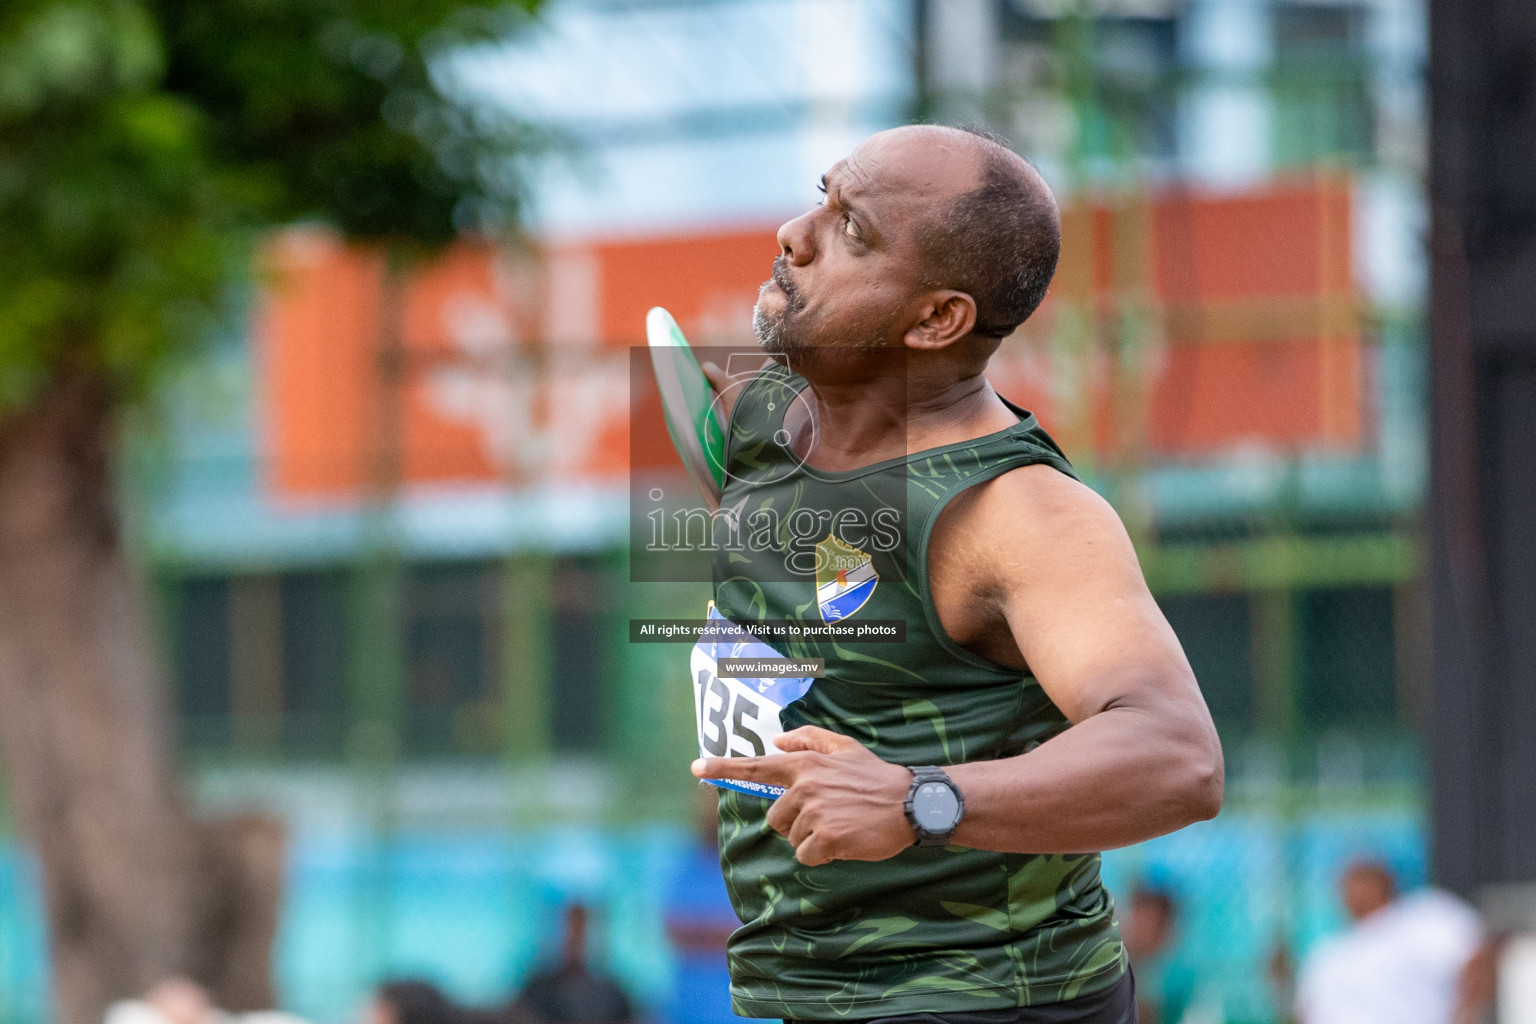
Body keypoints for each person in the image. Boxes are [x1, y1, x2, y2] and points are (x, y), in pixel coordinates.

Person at [687, 124, 1224, 1024]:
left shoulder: (1017, 513)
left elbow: (1178, 757)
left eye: (852, 231)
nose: (794, 233)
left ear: (937, 319)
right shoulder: (771, 422)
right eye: (822, 196)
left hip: (982, 1001)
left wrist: (916, 799)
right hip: (818, 997)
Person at [1292, 859, 1483, 1024]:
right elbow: (1306, 1011)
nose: (1353, 892)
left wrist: (1464, 1016)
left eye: (1362, 881)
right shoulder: (1328, 952)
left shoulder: (1421, 918)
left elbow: (1476, 956)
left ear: (1383, 883)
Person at [663, 787, 774, 1024]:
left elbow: (767, 934)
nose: (711, 811)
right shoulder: (687, 864)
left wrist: (705, 932)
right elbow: (673, 930)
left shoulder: (760, 864)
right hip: (690, 1009)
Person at [510, 904, 635, 1024]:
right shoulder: (536, 991)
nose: (575, 939)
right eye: (569, 929)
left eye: (581, 930)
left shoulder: (614, 996)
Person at [1123, 885, 1196, 1024]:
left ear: (1164, 926)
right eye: (1136, 915)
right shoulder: (1124, 961)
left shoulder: (1176, 974)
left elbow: (1147, 1014)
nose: (1138, 927)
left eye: (1148, 921)